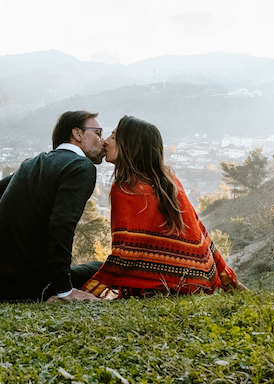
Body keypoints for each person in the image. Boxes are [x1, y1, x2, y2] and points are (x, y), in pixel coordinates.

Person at [84, 115, 243, 297]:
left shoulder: (125, 189)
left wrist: (89, 289)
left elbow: (124, 254)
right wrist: (229, 281)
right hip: (200, 282)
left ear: (129, 146)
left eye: (112, 137)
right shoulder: (169, 182)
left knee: (82, 273)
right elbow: (201, 237)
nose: (105, 142)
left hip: (158, 287)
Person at [0, 110, 106, 302]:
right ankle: (45, 293)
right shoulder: (80, 166)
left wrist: (24, 232)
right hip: (22, 281)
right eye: (98, 133)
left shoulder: (33, 162)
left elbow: (1, 187)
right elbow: (61, 226)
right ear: (77, 133)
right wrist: (65, 291)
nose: (103, 141)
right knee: (101, 268)